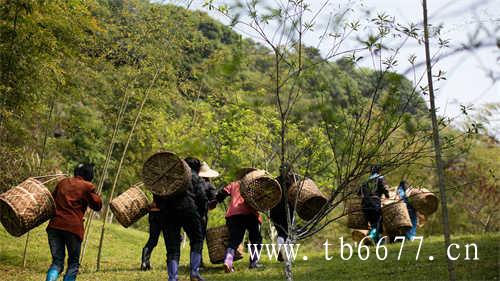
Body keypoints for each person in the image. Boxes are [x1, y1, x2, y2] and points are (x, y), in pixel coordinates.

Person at [45, 163, 102, 281]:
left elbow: (52, 200)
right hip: (72, 229)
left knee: (57, 262)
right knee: (73, 264)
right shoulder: (87, 186)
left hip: (54, 226)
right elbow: (97, 205)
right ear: (89, 175)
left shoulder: (62, 182)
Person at [155, 157, 207, 281]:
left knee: (172, 246)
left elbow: (158, 195)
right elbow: (202, 198)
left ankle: (172, 277)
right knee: (197, 239)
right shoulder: (195, 177)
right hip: (189, 210)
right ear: (196, 168)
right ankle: (194, 272)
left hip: (168, 212)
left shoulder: (170, 176)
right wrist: (201, 214)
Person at [215, 168, 263, 273]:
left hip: (234, 215)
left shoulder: (233, 184)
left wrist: (216, 201)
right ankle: (254, 263)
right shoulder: (255, 185)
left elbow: (222, 194)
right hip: (251, 215)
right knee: (256, 239)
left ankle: (228, 262)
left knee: (235, 239)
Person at [270, 164, 296, 262]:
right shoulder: (293, 181)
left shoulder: (275, 181)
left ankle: (281, 250)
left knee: (281, 232)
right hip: (288, 209)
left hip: (274, 210)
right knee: (287, 233)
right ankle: (287, 256)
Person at [358, 165, 390, 243]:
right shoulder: (380, 178)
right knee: (378, 221)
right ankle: (372, 237)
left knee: (372, 223)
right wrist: (387, 195)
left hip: (365, 205)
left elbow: (358, 193)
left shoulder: (366, 181)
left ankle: (376, 241)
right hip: (374, 203)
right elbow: (384, 188)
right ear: (379, 171)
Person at [197, 161, 219, 269]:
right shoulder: (209, 186)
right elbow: (214, 201)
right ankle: (198, 262)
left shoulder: (192, 183)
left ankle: (195, 261)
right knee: (199, 238)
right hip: (201, 215)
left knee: (194, 239)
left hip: (188, 214)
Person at [140, 201, 162, 271]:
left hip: (153, 214)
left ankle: (145, 262)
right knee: (153, 241)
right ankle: (145, 262)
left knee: (152, 240)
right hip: (161, 214)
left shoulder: (156, 190)